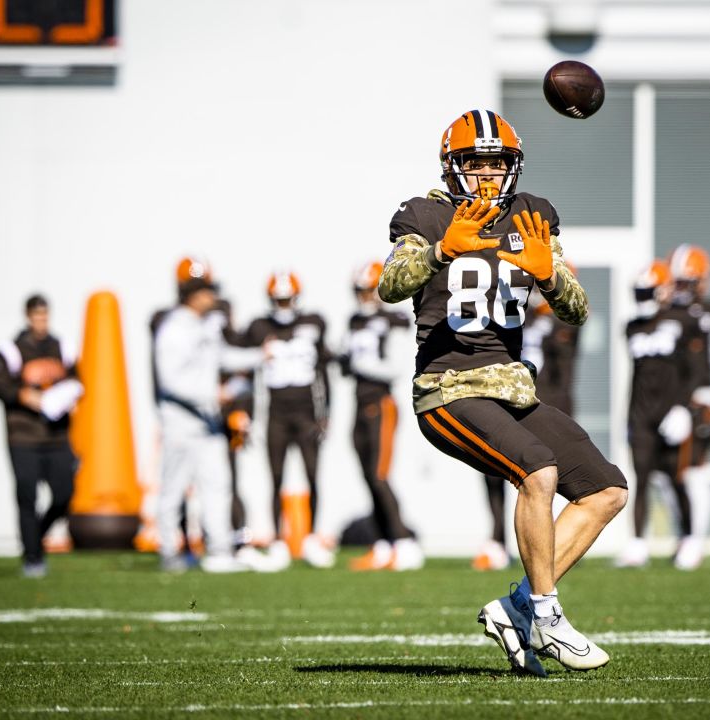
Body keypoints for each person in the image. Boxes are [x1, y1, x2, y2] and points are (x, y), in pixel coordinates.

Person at [378, 109, 629, 676]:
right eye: (476, 163)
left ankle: (515, 609)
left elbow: (577, 310)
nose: (488, 175)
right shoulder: (423, 214)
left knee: (607, 491)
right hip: (446, 388)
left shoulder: (533, 215)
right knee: (537, 472)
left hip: (512, 388)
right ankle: (546, 615)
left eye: (497, 164)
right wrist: (441, 251)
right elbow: (389, 286)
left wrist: (549, 275)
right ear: (452, 166)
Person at [153, 275, 261, 573]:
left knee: (218, 485)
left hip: (208, 423)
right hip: (181, 423)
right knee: (173, 489)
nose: (212, 296)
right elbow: (170, 381)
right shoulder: (173, 329)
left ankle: (219, 551)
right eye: (206, 290)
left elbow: (221, 358)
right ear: (192, 294)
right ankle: (168, 550)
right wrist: (213, 394)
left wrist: (258, 357)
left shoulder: (206, 325)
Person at [475, 291, 582, 572]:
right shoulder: (520, 315)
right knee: (493, 469)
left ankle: (561, 540)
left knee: (553, 477)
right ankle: (498, 540)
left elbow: (564, 373)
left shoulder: (563, 322)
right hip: (512, 401)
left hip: (547, 404)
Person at [615, 260, 710, 569]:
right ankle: (637, 544)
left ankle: (690, 539)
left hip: (673, 412)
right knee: (640, 479)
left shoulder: (686, 321)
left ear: (664, 291)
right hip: (641, 414)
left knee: (677, 479)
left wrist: (685, 408)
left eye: (647, 291)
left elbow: (698, 371)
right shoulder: (632, 325)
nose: (641, 297)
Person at [243, 271, 334, 569]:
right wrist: (250, 415)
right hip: (277, 413)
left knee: (312, 475)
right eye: (278, 300)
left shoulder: (313, 323)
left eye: (286, 300)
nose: (282, 306)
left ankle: (309, 539)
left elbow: (323, 370)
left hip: (306, 412)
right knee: (277, 478)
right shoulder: (258, 327)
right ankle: (279, 542)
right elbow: (244, 368)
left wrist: (326, 413)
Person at [0, 294, 82, 578]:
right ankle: (32, 556)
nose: (41, 321)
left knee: (65, 493)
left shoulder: (61, 347)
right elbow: (0, 386)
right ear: (28, 316)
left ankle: (36, 536)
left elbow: (78, 380)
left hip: (56, 436)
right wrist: (26, 396)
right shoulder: (12, 350)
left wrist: (68, 395)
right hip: (24, 436)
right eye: (36, 316)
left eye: (45, 316)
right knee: (27, 494)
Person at [341, 261, 425, 571]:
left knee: (379, 475)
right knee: (367, 476)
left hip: (382, 404)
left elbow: (393, 367)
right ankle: (380, 544)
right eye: (358, 292)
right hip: (359, 403)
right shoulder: (354, 320)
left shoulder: (394, 319)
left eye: (367, 291)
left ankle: (403, 542)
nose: (363, 298)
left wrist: (357, 362)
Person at [663, 244, 710, 570]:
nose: (679, 289)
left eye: (686, 283)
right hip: (670, 403)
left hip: (700, 400)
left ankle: (695, 539)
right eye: (677, 282)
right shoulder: (666, 313)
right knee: (668, 475)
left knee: (693, 470)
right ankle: (684, 535)